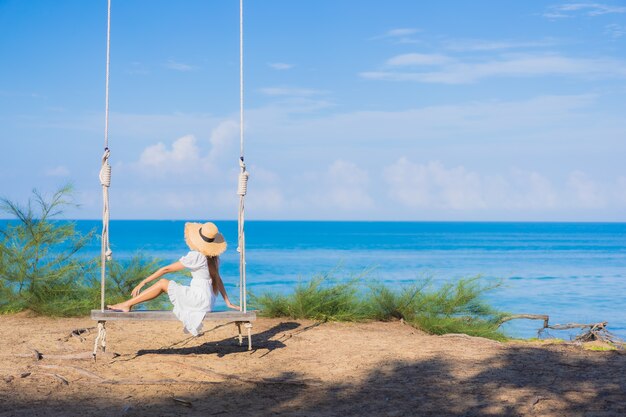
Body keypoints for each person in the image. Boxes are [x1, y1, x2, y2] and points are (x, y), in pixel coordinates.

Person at [107, 221, 240, 336]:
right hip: (207, 301)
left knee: (163, 283)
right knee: (164, 284)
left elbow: (166, 269)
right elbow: (218, 279)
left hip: (199, 299)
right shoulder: (214, 257)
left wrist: (143, 282)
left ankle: (127, 304)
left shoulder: (197, 256)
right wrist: (227, 302)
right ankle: (127, 304)